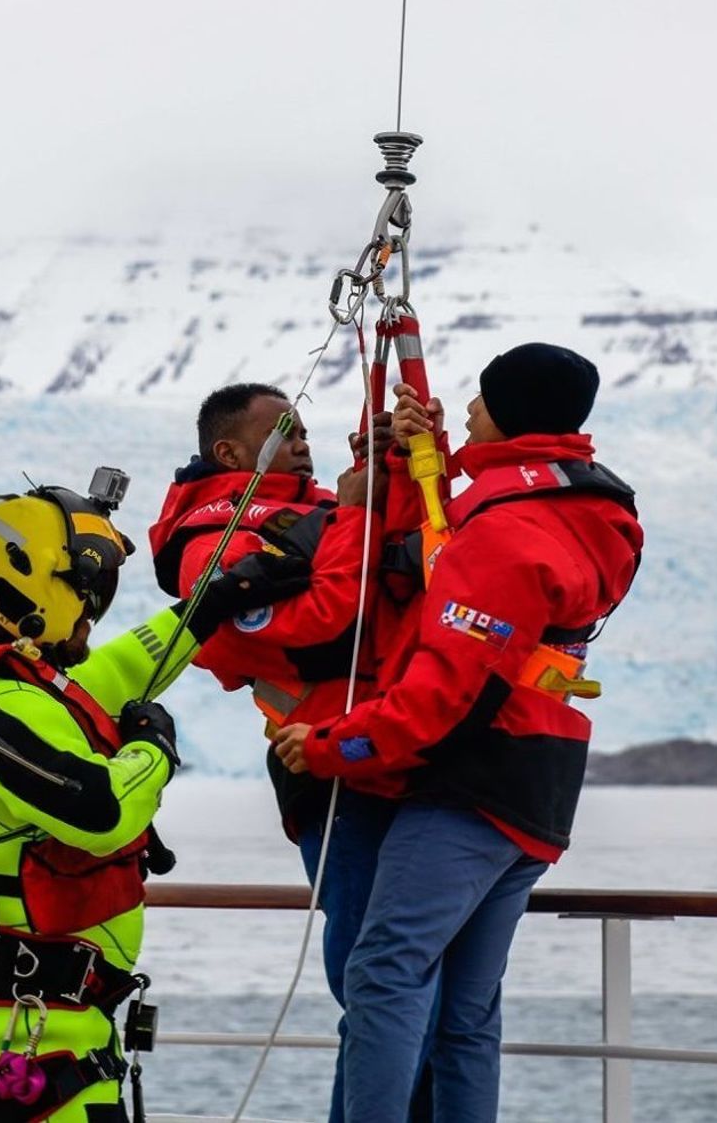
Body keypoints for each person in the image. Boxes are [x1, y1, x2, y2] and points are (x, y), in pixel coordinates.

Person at [273, 343, 645, 1122]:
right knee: (466, 1011)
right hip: (541, 786)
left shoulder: (504, 533)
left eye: (479, 399)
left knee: (383, 971)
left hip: (471, 786)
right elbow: (468, 558)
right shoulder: (586, 509)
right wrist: (427, 451)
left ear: (510, 410)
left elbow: (443, 692)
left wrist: (331, 744)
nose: (468, 409)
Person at [0, 471, 301, 1123]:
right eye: (85, 591)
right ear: (32, 588)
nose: (93, 609)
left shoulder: (6, 692)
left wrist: (217, 600)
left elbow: (127, 664)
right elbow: (102, 811)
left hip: (29, 1006)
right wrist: (155, 747)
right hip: (29, 1017)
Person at [147, 384, 433, 1122]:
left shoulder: (314, 510)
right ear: (229, 452)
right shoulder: (210, 548)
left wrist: (393, 464)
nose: (302, 440)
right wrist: (360, 507)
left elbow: (397, 567)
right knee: (375, 985)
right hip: (328, 767)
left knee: (409, 986)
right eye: (283, 431)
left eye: (304, 428)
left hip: (393, 749)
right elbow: (325, 618)